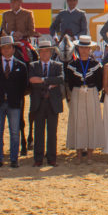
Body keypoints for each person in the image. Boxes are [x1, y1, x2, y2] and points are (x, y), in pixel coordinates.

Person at [0, 35, 28, 168]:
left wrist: (17, 97)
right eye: (4, 48)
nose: (6, 50)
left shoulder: (21, 66)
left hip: (14, 103)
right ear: (1, 50)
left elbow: (24, 86)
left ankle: (14, 159)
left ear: (13, 49)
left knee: (15, 132)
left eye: (8, 48)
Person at [65, 35, 104, 162]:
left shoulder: (96, 64)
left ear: (90, 49)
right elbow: (70, 83)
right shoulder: (72, 65)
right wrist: (77, 91)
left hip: (92, 92)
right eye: (81, 47)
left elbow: (100, 83)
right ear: (78, 48)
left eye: (86, 48)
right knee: (78, 122)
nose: (84, 50)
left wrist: (92, 90)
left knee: (91, 121)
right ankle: (79, 154)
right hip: (77, 92)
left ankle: (91, 155)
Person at [27, 38, 66, 166]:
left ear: (50, 52)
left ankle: (51, 158)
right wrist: (49, 81)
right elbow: (32, 80)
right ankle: (38, 159)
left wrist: (42, 80)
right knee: (38, 131)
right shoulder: (33, 65)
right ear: (39, 53)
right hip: (38, 102)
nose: (44, 54)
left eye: (46, 51)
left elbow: (60, 79)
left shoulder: (57, 65)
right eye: (42, 51)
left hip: (52, 103)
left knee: (52, 132)